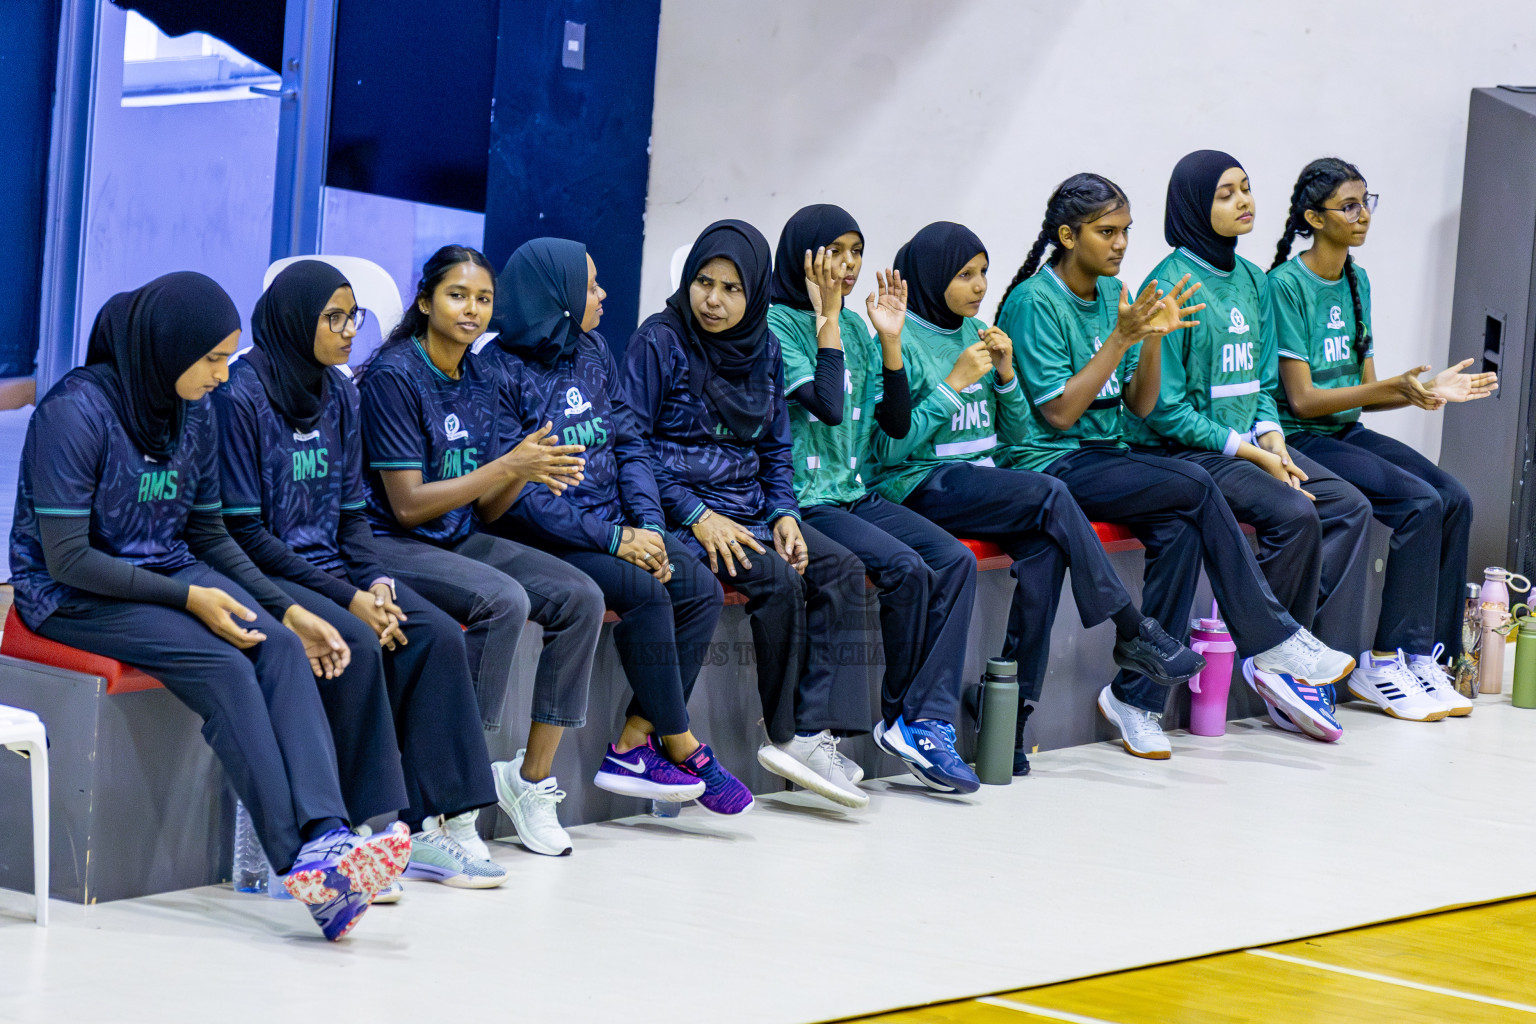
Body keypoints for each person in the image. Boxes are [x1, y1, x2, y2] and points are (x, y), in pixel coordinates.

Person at [8, 272, 409, 940]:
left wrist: (288, 611)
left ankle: (329, 836)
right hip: (71, 595)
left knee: (277, 646)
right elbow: (68, 558)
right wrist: (190, 597)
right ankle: (302, 865)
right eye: (214, 359)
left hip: (165, 567)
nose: (224, 375)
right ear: (168, 350)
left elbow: (208, 535)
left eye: (229, 358)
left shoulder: (189, 411)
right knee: (223, 666)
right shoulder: (73, 412)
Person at [993, 178, 1354, 756]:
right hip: (1051, 463)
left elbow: (1137, 403)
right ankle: (1271, 637)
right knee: (1196, 482)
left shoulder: (1116, 294)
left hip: (1107, 453)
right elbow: (1060, 414)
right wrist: (1121, 338)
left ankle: (1134, 698)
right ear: (1067, 236)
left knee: (1181, 529)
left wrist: (1152, 341)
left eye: (1126, 231)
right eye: (1106, 232)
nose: (1120, 244)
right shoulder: (1035, 302)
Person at [866, 220, 1205, 772]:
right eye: (965, 275)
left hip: (982, 484)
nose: (979, 287)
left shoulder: (978, 332)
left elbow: (1020, 434)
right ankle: (1130, 626)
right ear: (931, 278)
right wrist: (953, 385)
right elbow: (888, 449)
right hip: (923, 483)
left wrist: (1003, 375)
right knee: (1051, 493)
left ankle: (1011, 718)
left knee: (1046, 556)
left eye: (983, 274)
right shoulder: (900, 339)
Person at [214, 260, 504, 891]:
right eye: (334, 318)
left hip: (338, 568)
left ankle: (433, 826)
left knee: (434, 634)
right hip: (267, 568)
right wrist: (350, 597)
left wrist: (377, 585)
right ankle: (353, 835)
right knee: (360, 640)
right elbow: (246, 535)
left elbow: (353, 517)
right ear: (296, 321)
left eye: (354, 318)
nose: (349, 331)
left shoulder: (341, 392)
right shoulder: (241, 397)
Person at [482, 237, 754, 813]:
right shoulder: (497, 373)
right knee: (645, 593)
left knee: (700, 587)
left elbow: (630, 442)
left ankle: (635, 739)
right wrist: (615, 539)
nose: (603, 295)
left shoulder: (593, 349)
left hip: (621, 524)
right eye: (590, 286)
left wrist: (649, 526)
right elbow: (520, 500)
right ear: (555, 297)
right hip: (551, 537)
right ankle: (680, 742)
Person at [1118, 152, 1375, 735]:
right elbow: (1164, 412)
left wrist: (1275, 439)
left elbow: (1260, 386)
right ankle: (1274, 656)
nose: (1244, 202)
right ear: (1193, 207)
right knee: (1291, 511)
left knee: (1346, 504)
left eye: (1247, 189)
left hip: (1244, 442)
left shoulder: (1255, 278)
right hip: (1184, 451)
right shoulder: (1170, 282)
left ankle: (1292, 652)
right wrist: (1251, 452)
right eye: (1227, 194)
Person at [358, 244, 602, 855]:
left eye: (483, 299)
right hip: (390, 541)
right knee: (503, 599)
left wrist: (526, 469)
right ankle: (445, 801)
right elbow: (408, 503)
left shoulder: (486, 372)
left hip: (458, 533)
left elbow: (490, 507)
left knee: (580, 597)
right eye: (457, 295)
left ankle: (529, 780)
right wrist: (508, 463)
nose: (472, 309)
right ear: (425, 301)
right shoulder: (395, 374)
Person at [624, 219, 874, 806]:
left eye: (731, 289)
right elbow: (627, 441)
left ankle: (814, 733)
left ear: (754, 292)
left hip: (751, 507)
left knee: (840, 570)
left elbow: (775, 444)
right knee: (778, 583)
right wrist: (695, 514)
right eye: (704, 283)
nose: (712, 300)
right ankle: (785, 734)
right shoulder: (660, 340)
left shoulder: (764, 345)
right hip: (679, 509)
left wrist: (785, 511)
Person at [1270, 157, 1496, 721]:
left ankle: (1424, 656)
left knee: (1455, 498)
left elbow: (1366, 393)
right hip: (1300, 437)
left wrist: (1425, 390)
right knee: (1418, 503)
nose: (1364, 214)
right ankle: (1383, 661)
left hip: (1345, 428)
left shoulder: (1356, 279)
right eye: (1349, 205)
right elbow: (1300, 399)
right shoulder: (1286, 286)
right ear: (1313, 219)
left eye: (1367, 201)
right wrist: (1399, 386)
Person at [766, 204, 981, 791]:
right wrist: (828, 319)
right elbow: (826, 406)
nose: (848, 264)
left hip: (853, 492)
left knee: (954, 560)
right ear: (802, 256)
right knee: (905, 569)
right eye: (834, 251)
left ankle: (920, 720)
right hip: (804, 499)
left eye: (856, 251)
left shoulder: (861, 328)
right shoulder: (778, 325)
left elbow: (891, 424)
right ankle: (893, 719)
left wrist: (890, 342)